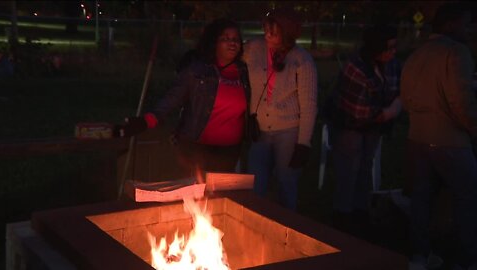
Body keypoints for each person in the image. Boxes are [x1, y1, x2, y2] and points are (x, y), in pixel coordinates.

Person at [115, 18, 250, 180]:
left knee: (220, 196)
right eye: (225, 39)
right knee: (197, 195)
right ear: (214, 42)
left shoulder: (243, 72)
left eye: (235, 39)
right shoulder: (197, 71)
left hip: (230, 150)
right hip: (198, 147)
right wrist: (146, 121)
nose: (232, 43)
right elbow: (172, 99)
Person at [401, 2, 477, 269]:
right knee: (467, 196)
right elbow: (462, 102)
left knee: (421, 198)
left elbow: (406, 98)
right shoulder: (456, 53)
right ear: (451, 24)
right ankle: (467, 258)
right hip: (450, 140)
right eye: (466, 23)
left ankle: (420, 255)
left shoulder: (416, 54)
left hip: (417, 137)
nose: (469, 30)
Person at [323, 24, 402, 230]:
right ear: (376, 47)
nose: (393, 52)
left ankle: (361, 211)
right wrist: (391, 111)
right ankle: (343, 215)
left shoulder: (392, 65)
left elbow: (396, 90)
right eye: (389, 48)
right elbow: (360, 112)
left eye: (395, 47)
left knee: (365, 168)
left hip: (373, 127)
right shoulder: (356, 68)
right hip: (349, 125)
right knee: (349, 170)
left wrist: (392, 106)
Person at [243, 9, 318, 210]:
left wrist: (303, 143)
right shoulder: (253, 48)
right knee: (255, 183)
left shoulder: (302, 60)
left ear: (287, 32)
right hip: (259, 130)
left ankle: (287, 228)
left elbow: (309, 104)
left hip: (288, 131)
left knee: (287, 182)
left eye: (273, 32)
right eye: (266, 30)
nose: (267, 36)